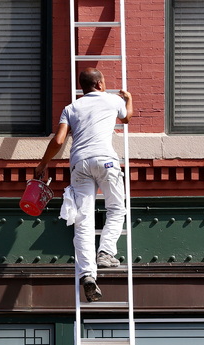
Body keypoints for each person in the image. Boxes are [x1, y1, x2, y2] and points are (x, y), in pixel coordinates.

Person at [35, 67, 133, 302]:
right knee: (117, 208)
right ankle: (106, 252)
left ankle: (88, 275)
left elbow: (58, 140)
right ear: (99, 83)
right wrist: (129, 100)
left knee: (83, 220)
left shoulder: (71, 108)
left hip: (79, 164)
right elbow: (127, 118)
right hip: (106, 161)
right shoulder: (112, 100)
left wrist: (42, 164)